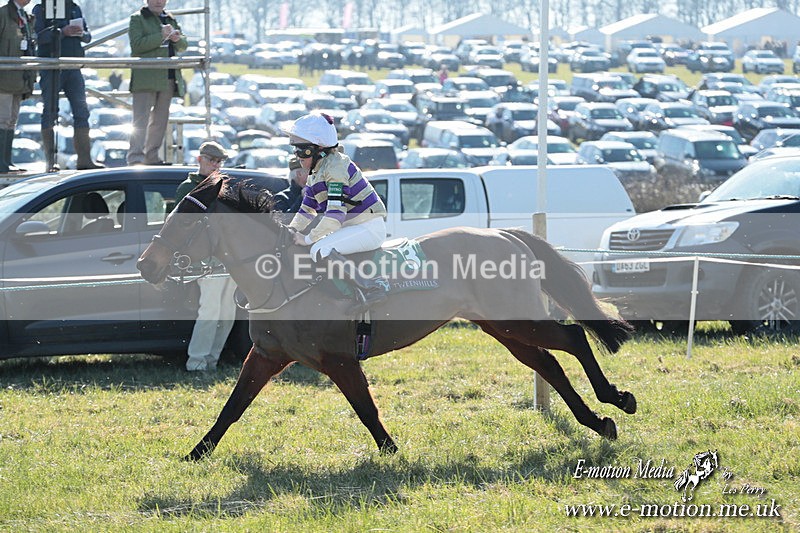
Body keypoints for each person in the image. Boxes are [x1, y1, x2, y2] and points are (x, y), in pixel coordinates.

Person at [285, 112, 389, 308]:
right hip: (354, 227)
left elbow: (334, 216)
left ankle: (372, 289)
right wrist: (290, 230)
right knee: (314, 247)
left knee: (319, 249)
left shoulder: (335, 168)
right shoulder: (317, 171)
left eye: (301, 151)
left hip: (369, 228)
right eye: (294, 151)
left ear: (319, 150)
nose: (296, 156)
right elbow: (307, 209)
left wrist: (307, 238)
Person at [175, 141, 237, 371]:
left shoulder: (222, 186)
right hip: (205, 260)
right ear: (200, 159)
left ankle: (212, 360)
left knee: (227, 312)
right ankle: (197, 363)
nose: (215, 164)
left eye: (219, 161)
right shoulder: (187, 188)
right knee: (210, 310)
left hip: (227, 259)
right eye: (211, 159)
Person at [33, 1, 103, 172]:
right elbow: (38, 37)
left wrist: (81, 33)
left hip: (73, 67)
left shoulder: (74, 7)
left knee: (82, 112)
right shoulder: (41, 8)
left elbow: (88, 36)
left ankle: (84, 160)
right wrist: (62, 32)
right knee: (50, 111)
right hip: (51, 66)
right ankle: (51, 161)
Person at [127, 0, 187, 165]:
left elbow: (183, 45)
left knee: (160, 121)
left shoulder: (170, 19)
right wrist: (160, 35)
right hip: (145, 77)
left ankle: (151, 157)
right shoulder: (137, 19)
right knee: (140, 120)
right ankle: (135, 158)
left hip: (167, 76)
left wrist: (176, 39)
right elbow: (137, 45)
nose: (159, 2)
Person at [0, 0, 34, 173]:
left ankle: (6, 161)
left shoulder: (25, 16)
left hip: (19, 79)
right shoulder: (3, 14)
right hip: (4, 79)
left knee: (12, 120)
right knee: (3, 119)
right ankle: (2, 162)